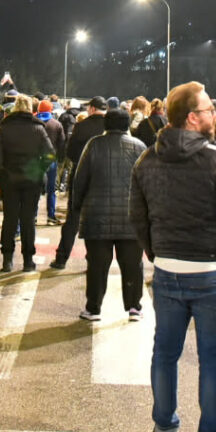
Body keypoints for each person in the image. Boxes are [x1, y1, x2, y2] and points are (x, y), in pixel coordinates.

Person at [129, 81, 216, 432]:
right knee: (213, 357)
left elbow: (139, 216)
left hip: (168, 271)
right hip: (213, 271)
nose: (215, 114)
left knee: (165, 353)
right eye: (209, 109)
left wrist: (156, 250)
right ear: (193, 118)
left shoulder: (148, 160)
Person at [72, 105, 146, 321]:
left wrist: (77, 207)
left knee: (97, 266)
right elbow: (147, 182)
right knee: (132, 265)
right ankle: (134, 307)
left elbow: (80, 180)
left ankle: (93, 308)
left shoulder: (94, 145)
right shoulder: (139, 147)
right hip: (131, 218)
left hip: (97, 217)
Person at [0, 94, 54, 272]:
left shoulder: (5, 128)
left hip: (9, 179)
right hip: (31, 181)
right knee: (28, 220)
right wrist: (37, 170)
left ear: (15, 108)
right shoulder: (38, 129)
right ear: (31, 109)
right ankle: (27, 260)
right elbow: (50, 154)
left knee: (9, 219)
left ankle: (7, 260)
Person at [50, 96, 108, 270]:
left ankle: (61, 258)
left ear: (91, 109)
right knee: (98, 222)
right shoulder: (109, 126)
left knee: (73, 219)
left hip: (80, 176)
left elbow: (71, 153)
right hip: (103, 177)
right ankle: (94, 262)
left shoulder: (82, 126)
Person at [36, 99, 66, 225]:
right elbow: (62, 143)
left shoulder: (34, 122)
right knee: (51, 190)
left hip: (35, 160)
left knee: (35, 190)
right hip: (51, 160)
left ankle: (33, 216)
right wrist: (60, 159)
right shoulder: (56, 124)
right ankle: (51, 216)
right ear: (50, 110)